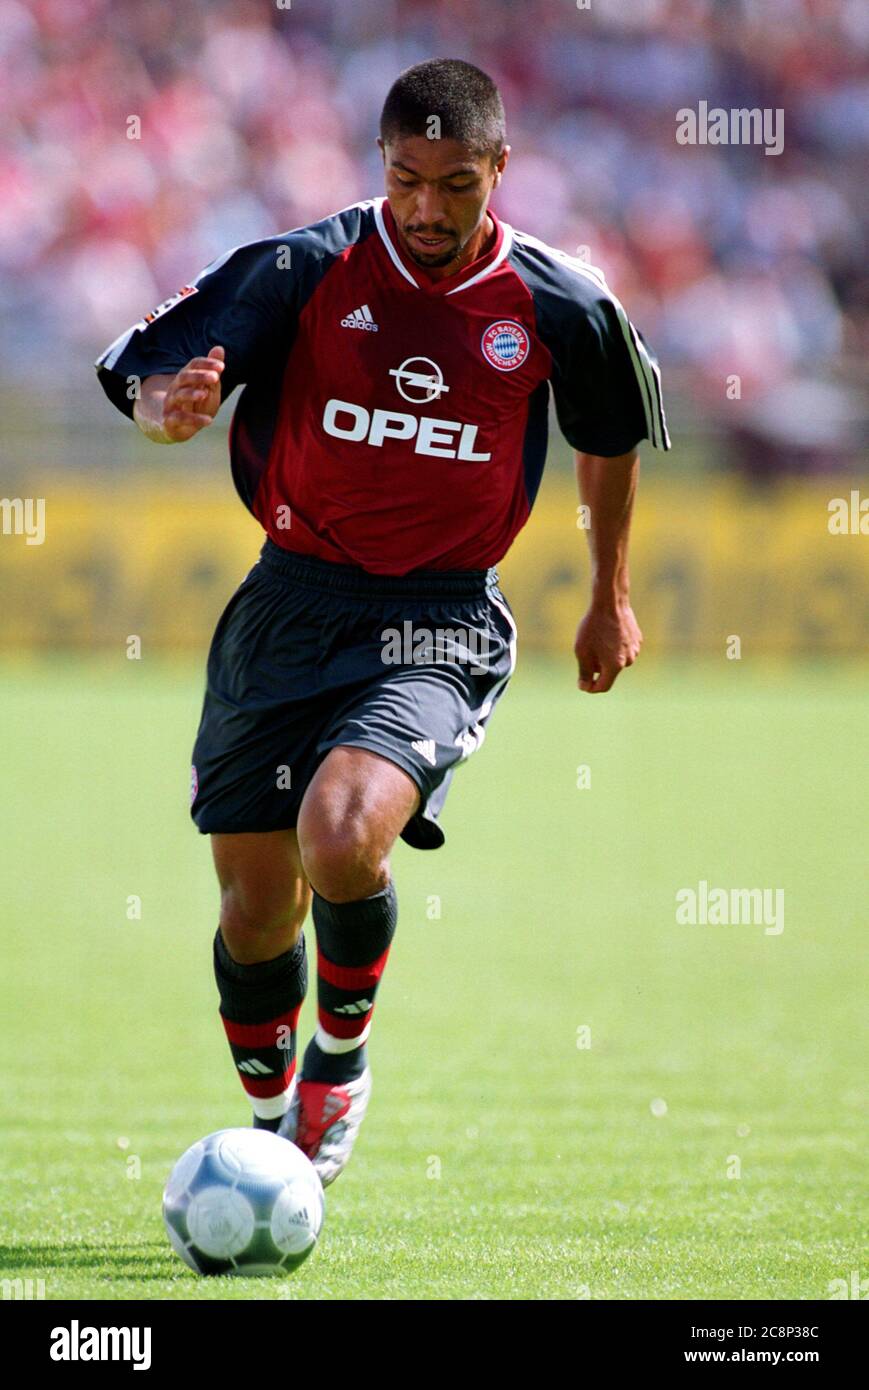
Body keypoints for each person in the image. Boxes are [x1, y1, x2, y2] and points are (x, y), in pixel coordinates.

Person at [95, 57, 670, 1188]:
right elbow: (145, 373)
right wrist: (168, 414)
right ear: (380, 163)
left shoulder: (562, 302)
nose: (426, 208)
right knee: (255, 912)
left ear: (498, 169)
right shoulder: (301, 267)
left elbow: (607, 439)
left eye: (455, 183)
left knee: (341, 836)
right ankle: (269, 1129)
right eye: (407, 178)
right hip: (286, 604)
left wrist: (608, 593)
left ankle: (340, 1064)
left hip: (438, 619)